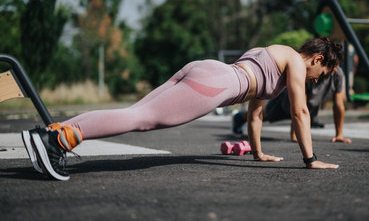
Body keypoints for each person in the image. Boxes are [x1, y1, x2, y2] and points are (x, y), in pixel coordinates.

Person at [22, 38, 343, 181]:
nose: (316, 82)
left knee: (135, 111)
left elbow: (255, 113)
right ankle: (59, 140)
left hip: (206, 68)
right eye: (322, 75)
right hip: (216, 84)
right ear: (317, 60)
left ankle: (50, 134)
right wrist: (310, 160)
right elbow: (301, 113)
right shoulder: (297, 66)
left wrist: (257, 153)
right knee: (140, 119)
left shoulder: (273, 52)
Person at [232, 67, 352, 144]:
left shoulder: (338, 74)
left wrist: (339, 135)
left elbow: (339, 105)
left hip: (310, 106)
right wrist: (295, 135)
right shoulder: (310, 72)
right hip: (286, 102)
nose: (333, 68)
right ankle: (239, 117)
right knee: (263, 115)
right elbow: (298, 106)